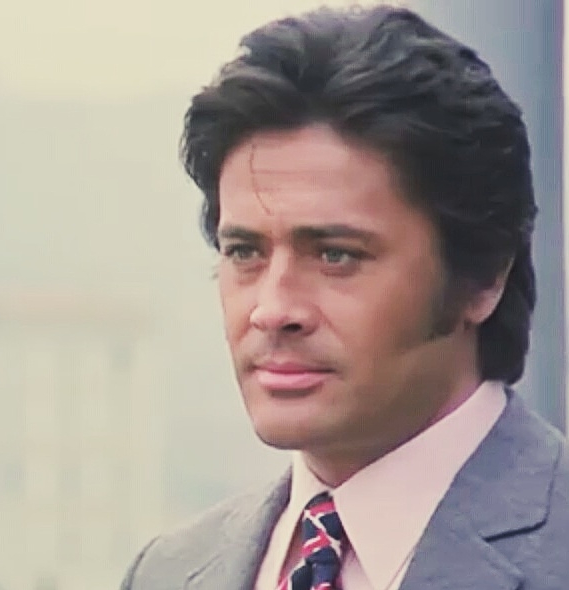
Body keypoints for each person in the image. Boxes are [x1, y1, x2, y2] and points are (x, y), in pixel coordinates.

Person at [121, 5, 569, 589]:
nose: (273, 310)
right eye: (245, 252)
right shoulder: (168, 570)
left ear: (483, 277)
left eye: (335, 256)